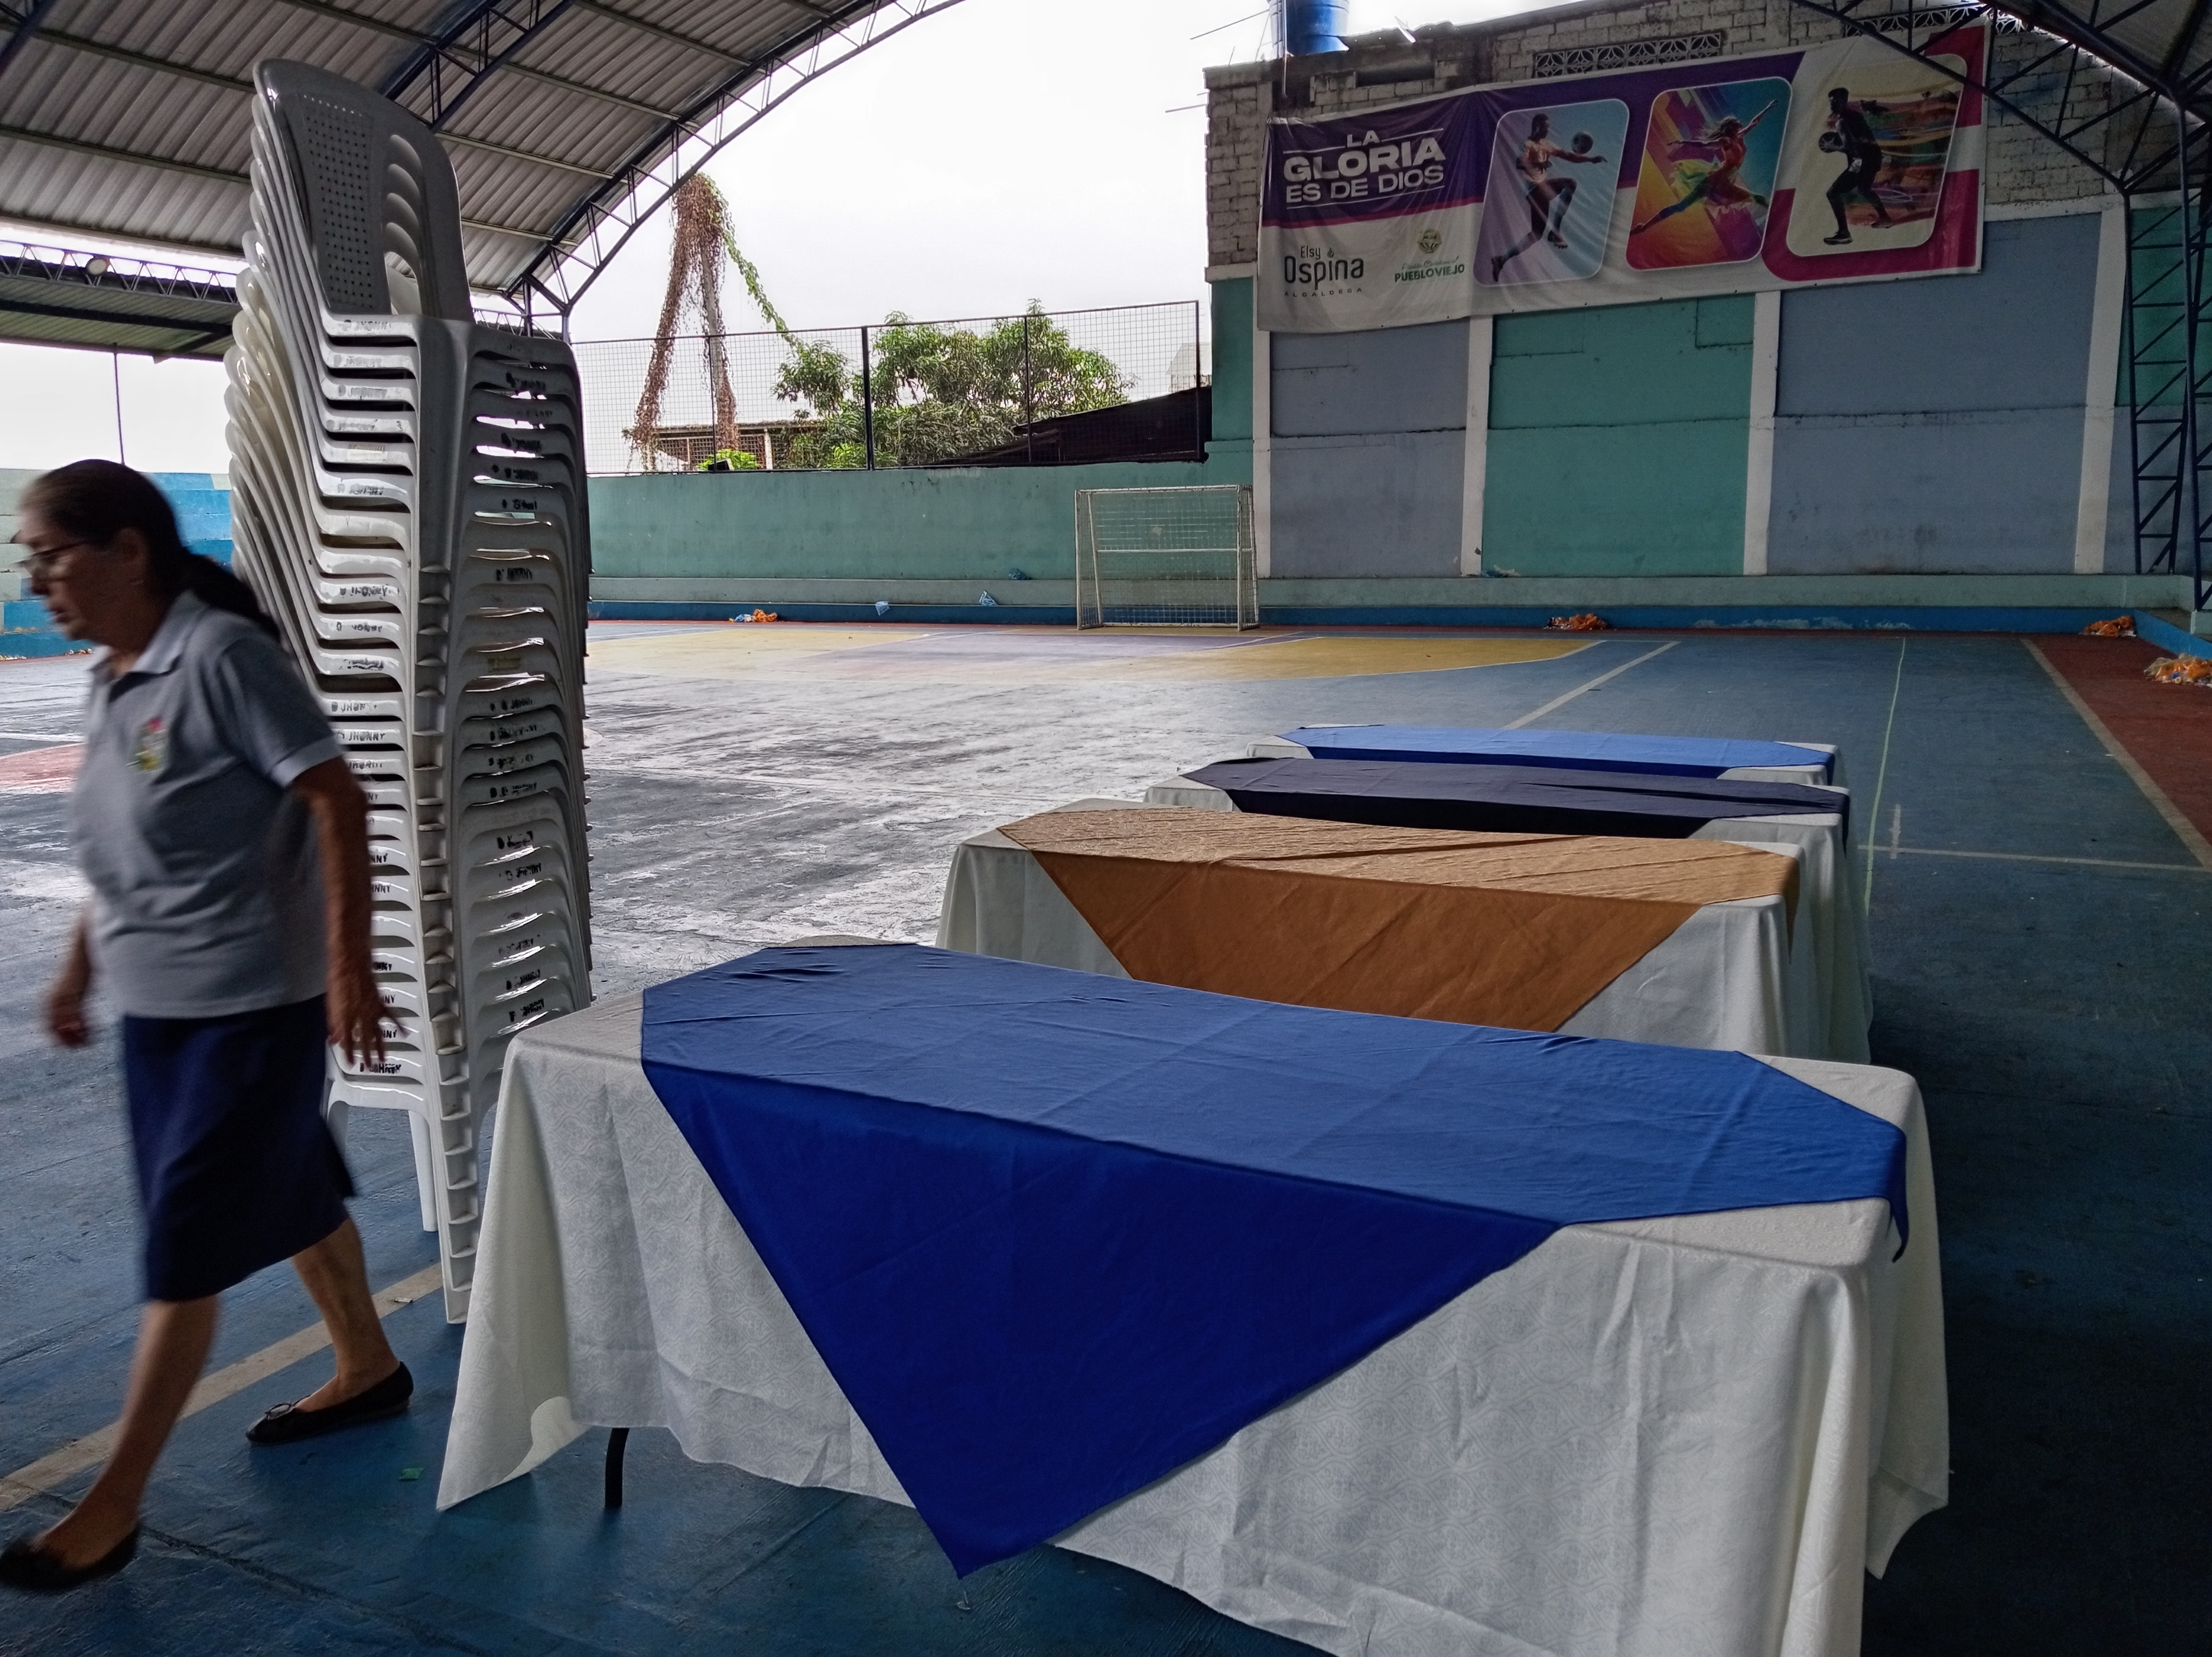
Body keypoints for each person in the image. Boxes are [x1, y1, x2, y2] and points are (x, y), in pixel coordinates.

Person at [1, 461, 410, 1594]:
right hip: (160, 1015)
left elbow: (335, 796)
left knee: (183, 1248)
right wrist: (81, 967)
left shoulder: (221, 658)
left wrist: (349, 968)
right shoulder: (115, 679)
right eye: (29, 559)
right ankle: (369, 1364)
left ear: (129, 549)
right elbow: (127, 844)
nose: (37, 580)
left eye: (53, 555)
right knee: (289, 1189)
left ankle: (113, 1505)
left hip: (248, 1010)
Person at [1489, 112, 1610, 281]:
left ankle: (1501, 259)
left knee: (1537, 235)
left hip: (1541, 193)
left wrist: (1590, 159)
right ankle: (1556, 231)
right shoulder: (1527, 144)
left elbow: (1568, 156)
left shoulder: (1547, 145)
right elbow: (1520, 162)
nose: (1547, 130)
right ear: (1536, 126)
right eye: (1544, 127)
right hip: (1534, 189)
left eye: (1548, 127)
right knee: (1570, 184)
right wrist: (1539, 163)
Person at [1630, 100, 1778, 237]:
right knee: (1681, 207)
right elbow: (1704, 145)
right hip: (1714, 181)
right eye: (1737, 123)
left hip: (1725, 183)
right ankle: (1644, 226)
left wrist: (1767, 108)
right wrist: (1683, 142)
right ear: (1732, 127)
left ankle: (1777, 213)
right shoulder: (1725, 141)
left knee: (1757, 198)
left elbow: (1754, 123)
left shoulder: (1739, 137)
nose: (1741, 124)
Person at [1822, 86, 1895, 245]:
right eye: (1831, 102)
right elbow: (1865, 141)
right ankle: (1885, 218)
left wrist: (1833, 147)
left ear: (1844, 100)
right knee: (1864, 189)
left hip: (1860, 162)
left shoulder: (1842, 122)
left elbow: (1851, 147)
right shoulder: (1856, 116)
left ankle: (1844, 233)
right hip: (1873, 159)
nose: (1832, 104)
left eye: (1835, 101)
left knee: (1833, 193)